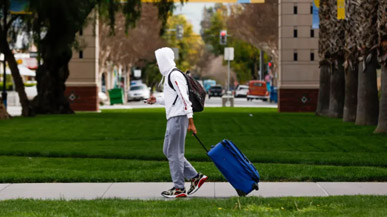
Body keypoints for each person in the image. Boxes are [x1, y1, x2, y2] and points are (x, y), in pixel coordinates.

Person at [146, 47, 208, 198]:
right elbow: (171, 100)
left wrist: (191, 121)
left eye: (158, 60)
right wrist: (157, 100)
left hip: (179, 118)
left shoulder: (174, 75)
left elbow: (184, 98)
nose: (157, 63)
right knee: (169, 151)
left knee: (175, 153)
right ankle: (195, 177)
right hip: (174, 118)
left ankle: (179, 188)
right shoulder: (169, 76)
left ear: (164, 60)